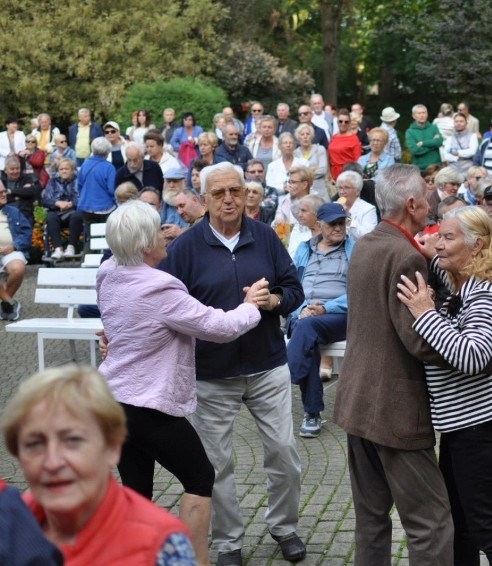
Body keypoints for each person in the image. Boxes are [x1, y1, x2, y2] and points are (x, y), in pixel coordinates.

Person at [97, 200, 266, 564]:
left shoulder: (108, 271)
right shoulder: (160, 287)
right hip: (146, 403)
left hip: (112, 399)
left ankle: (134, 557)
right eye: (160, 230)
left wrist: (113, 335)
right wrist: (251, 304)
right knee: (200, 475)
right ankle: (196, 560)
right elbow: (218, 327)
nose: (166, 234)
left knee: (137, 489)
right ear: (145, 245)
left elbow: (120, 320)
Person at [158, 162, 307, 564]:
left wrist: (274, 301)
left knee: (283, 453)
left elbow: (294, 289)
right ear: (203, 199)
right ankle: (227, 541)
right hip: (211, 372)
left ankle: (284, 526)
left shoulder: (264, 237)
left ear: (246, 194)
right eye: (220, 192)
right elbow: (165, 304)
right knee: (215, 464)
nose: (229, 199)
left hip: (267, 364)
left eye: (236, 191)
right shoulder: (185, 248)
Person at [333, 164, 456, 563]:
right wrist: (480, 351)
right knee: (431, 523)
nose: (432, 199)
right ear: (412, 203)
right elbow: (419, 340)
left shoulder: (367, 243)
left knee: (371, 518)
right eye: (427, 192)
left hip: (357, 402)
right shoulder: (405, 256)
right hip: (395, 409)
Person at [396, 204, 492, 564]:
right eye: (440, 234)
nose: (438, 243)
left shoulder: (483, 291)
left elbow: (470, 356)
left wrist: (425, 313)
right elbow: (440, 259)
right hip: (465, 426)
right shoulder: (466, 275)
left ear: (478, 245)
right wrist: (428, 248)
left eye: (448, 237)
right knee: (461, 524)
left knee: (487, 530)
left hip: (483, 427)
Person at [0, 365, 196, 564]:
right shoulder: (8, 524)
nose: (52, 462)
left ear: (112, 448)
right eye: (34, 444)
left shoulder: (161, 546)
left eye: (73, 441)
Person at [288, 202, 353, 438]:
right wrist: (301, 309)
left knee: (304, 330)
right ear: (319, 226)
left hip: (338, 316)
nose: (339, 228)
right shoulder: (304, 249)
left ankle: (285, 379)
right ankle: (312, 413)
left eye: (342, 223)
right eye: (333, 224)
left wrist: (325, 308)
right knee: (306, 334)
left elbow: (359, 290)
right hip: (304, 316)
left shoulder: (353, 249)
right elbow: (291, 286)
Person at [42, 158, 84, 259]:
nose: (64, 171)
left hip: (73, 213)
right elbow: (45, 200)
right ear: (58, 171)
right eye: (61, 169)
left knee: (77, 215)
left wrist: (71, 204)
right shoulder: (52, 182)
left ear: (72, 170)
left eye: (66, 169)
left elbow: (83, 197)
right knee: (50, 216)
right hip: (57, 213)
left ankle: (71, 247)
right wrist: (57, 203)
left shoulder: (78, 181)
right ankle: (58, 249)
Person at [0, 181, 29, 321]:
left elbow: (26, 234)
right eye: (0, 193)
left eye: (4, 191)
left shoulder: (14, 212)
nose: (3, 194)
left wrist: (14, 246)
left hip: (11, 250)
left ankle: (4, 303)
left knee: (18, 268)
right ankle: (9, 303)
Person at [77, 137, 117, 225]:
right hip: (105, 207)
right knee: (104, 235)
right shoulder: (109, 167)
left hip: (86, 206)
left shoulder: (85, 164)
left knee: (91, 235)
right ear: (107, 151)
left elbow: (79, 185)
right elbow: (112, 190)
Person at [336, 170, 378, 240]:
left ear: (357, 191)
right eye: (340, 188)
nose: (342, 192)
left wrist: (346, 217)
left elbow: (368, 236)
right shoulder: (333, 206)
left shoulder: (368, 209)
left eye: (346, 188)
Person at [2, 154, 40, 224]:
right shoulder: (1, 181)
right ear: (5, 170)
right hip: (6, 212)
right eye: (12, 169)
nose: (15, 171)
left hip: (24, 213)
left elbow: (29, 192)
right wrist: (19, 196)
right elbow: (1, 199)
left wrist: (10, 191)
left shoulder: (26, 178)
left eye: (17, 168)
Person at [294, 124, 329, 199]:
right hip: (302, 192)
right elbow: (296, 174)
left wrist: (304, 173)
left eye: (307, 134)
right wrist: (311, 169)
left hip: (320, 191)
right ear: (298, 137)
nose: (305, 136)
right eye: (302, 134)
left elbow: (322, 170)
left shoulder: (320, 149)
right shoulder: (295, 153)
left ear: (312, 136)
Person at [405, 104, 443, 171]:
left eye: (424, 113)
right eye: (419, 113)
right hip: (420, 168)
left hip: (436, 167)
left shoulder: (433, 128)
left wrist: (423, 143)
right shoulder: (409, 132)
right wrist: (433, 144)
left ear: (427, 114)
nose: (422, 115)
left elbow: (440, 141)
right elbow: (414, 150)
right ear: (413, 116)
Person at [328, 110, 362, 180]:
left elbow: (357, 160)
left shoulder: (354, 139)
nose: (343, 123)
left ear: (349, 123)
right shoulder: (334, 137)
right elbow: (329, 157)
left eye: (346, 122)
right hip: (332, 175)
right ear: (337, 122)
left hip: (347, 175)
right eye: (340, 121)